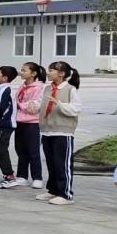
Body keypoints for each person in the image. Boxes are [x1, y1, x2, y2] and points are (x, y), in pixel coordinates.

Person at [36, 61, 82, 206]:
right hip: (47, 131)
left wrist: (60, 104)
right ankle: (53, 190)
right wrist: (34, 106)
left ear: (61, 74)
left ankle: (66, 194)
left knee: (62, 164)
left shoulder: (70, 89)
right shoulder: (47, 88)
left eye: (51, 70)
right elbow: (41, 104)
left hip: (63, 132)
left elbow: (76, 109)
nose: (48, 73)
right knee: (52, 163)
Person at [2, 62, 45, 189]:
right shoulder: (22, 86)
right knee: (21, 150)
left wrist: (21, 105)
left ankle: (37, 177)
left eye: (24, 70)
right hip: (19, 121)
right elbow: (19, 102)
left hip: (32, 123)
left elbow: (35, 106)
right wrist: (21, 105)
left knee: (33, 151)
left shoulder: (39, 87)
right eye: (21, 70)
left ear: (33, 73)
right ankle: (22, 176)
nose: (21, 72)